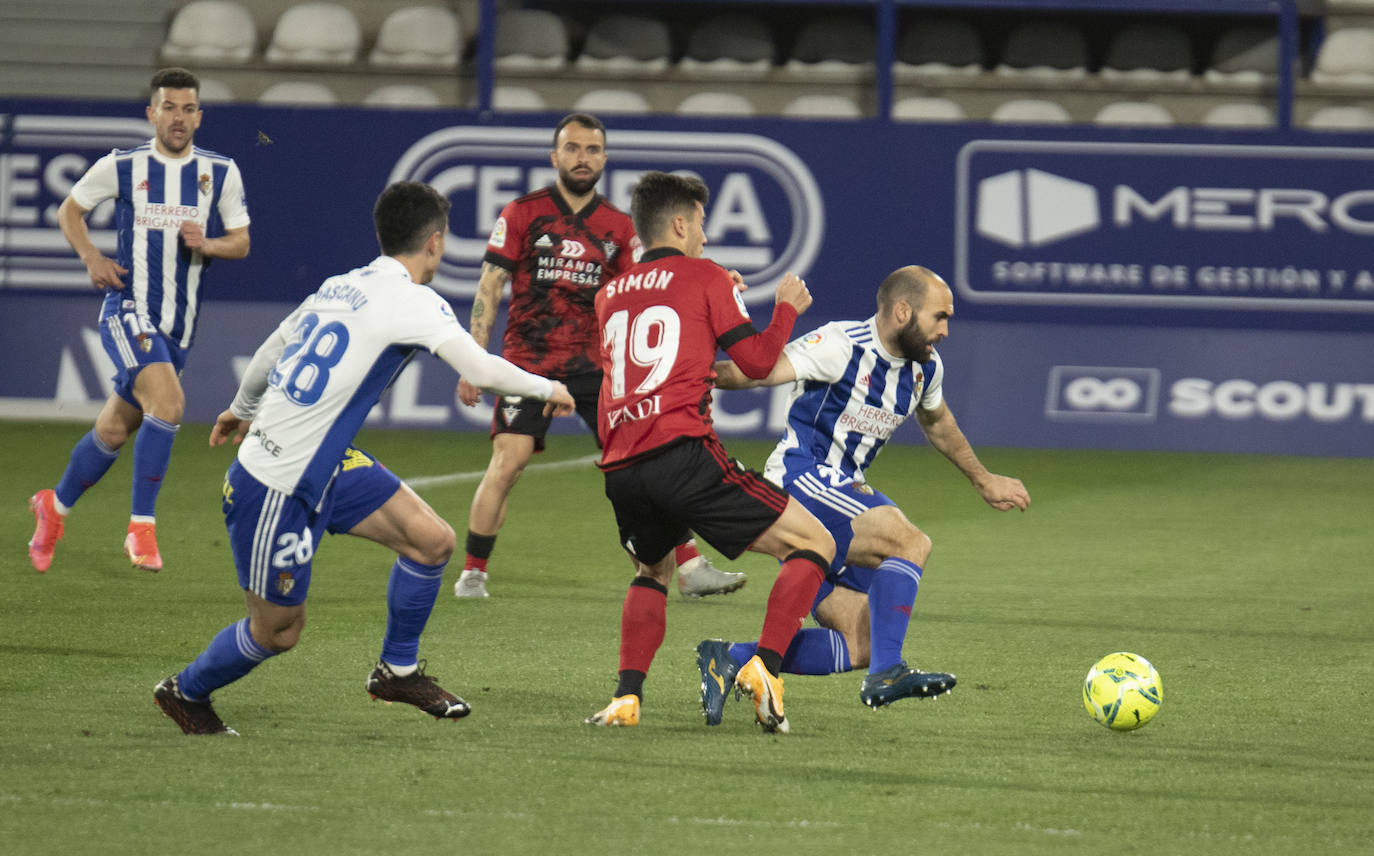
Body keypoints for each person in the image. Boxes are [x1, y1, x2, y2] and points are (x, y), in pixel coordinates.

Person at [152, 182, 575, 735]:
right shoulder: (415, 302)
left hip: (322, 464)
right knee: (277, 631)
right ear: (436, 242)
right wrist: (549, 389)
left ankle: (396, 672)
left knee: (432, 541)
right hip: (275, 484)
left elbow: (271, 350)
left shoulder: (339, 285)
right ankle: (185, 691)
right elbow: (484, 371)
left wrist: (240, 407)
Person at [695, 266, 1030, 723]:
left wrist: (982, 478)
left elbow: (937, 422)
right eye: (939, 317)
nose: (946, 330)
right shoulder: (841, 344)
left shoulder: (925, 367)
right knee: (909, 542)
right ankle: (888, 673)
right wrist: (689, 374)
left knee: (861, 642)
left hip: (842, 492)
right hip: (800, 478)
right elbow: (757, 373)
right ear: (902, 311)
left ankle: (731, 657)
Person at [453, 112, 744, 600]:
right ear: (555, 157)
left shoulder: (618, 225)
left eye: (591, 149)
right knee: (509, 460)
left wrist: (715, 275)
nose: (581, 158)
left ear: (604, 158)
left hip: (600, 368)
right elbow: (491, 284)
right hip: (530, 363)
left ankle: (688, 568)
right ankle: (473, 571)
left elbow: (662, 274)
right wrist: (473, 358)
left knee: (644, 460)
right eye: (572, 148)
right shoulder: (521, 214)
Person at [584, 171, 835, 734]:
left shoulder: (608, 294)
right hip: (683, 453)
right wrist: (786, 308)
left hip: (622, 464)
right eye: (700, 221)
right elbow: (756, 363)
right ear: (679, 222)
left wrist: (717, 291)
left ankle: (627, 697)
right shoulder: (707, 276)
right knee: (812, 542)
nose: (704, 231)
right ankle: (766, 669)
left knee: (652, 570)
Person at [26, 67, 251, 574]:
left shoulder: (221, 171)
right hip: (127, 311)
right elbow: (70, 211)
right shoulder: (123, 166)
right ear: (152, 114)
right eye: (168, 107)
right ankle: (141, 528)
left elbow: (241, 241)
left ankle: (53, 508)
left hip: (178, 329)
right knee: (169, 404)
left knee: (113, 430)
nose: (178, 117)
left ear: (199, 116)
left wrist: (208, 243)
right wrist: (92, 259)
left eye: (188, 108)